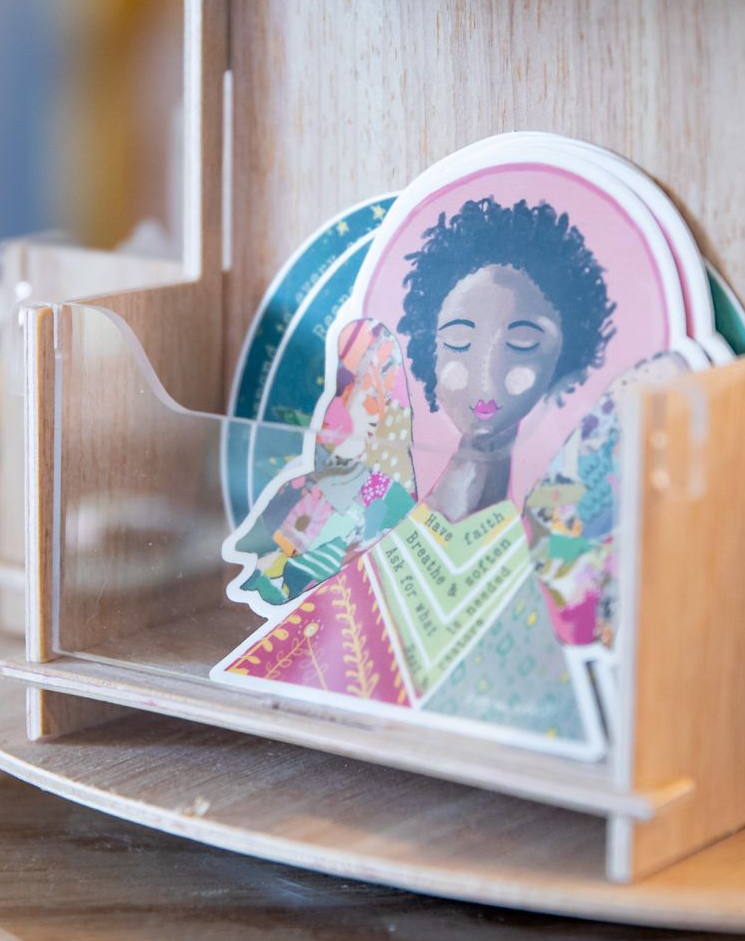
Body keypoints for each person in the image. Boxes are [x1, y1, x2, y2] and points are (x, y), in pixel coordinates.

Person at [214, 197, 676, 756]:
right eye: (459, 341)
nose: (488, 375)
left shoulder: (551, 533)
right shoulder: (374, 504)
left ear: (565, 358)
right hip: (298, 740)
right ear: (427, 349)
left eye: (524, 343)